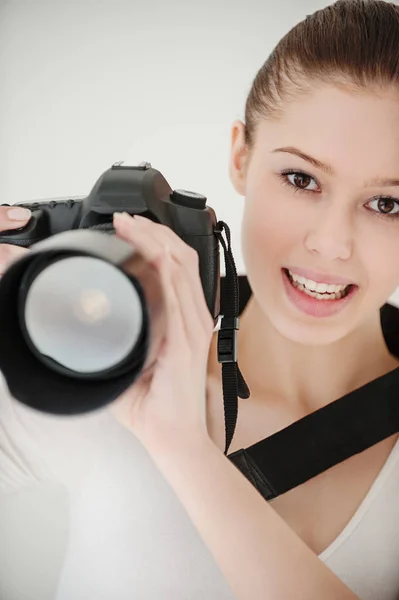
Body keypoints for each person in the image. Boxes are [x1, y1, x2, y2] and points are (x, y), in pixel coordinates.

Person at [1, 1, 399, 599]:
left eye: (387, 204)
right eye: (301, 179)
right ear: (241, 157)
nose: (331, 244)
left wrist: (178, 440)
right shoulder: (89, 361)